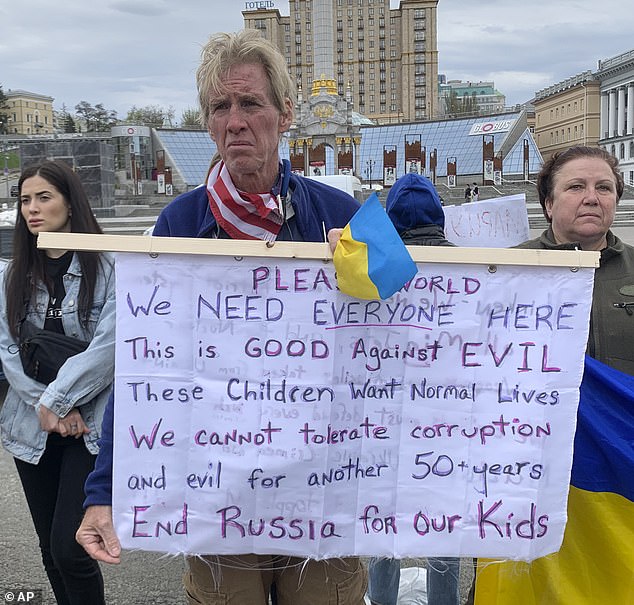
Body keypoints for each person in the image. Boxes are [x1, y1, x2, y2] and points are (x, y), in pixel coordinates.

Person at [76, 30, 367, 605]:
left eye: (250, 103)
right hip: (218, 497)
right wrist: (103, 489)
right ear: (208, 123)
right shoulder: (178, 224)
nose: (235, 120)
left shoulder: (343, 213)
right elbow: (143, 371)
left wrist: (368, 274)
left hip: (324, 495)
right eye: (220, 106)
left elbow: (420, 342)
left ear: (285, 115)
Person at [0, 160, 116, 605]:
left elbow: (110, 346)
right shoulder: (12, 275)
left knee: (72, 549)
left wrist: (62, 400)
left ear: (70, 201)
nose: (32, 208)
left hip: (89, 427)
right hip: (32, 425)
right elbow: (9, 353)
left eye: (44, 197)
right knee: (50, 551)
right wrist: (46, 406)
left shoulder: (107, 269)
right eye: (25, 199)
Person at [365, 173, 461, 605]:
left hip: (382, 422)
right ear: (439, 216)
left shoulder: (372, 270)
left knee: (381, 519)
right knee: (446, 521)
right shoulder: (469, 267)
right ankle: (443, 599)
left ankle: (381, 598)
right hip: (451, 423)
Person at [515, 145, 633, 373]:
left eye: (604, 188)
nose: (591, 198)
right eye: (576, 187)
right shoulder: (507, 267)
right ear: (549, 204)